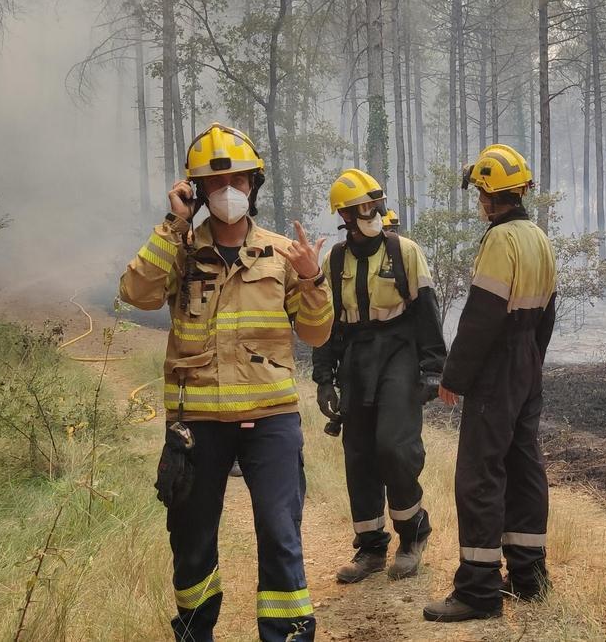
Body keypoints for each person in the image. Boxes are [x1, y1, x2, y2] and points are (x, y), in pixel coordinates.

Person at [119, 123, 332, 642]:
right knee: (191, 541)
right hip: (198, 424)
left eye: (237, 179)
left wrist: (312, 278)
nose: (228, 191)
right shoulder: (180, 249)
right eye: (215, 184)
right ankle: (195, 633)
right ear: (197, 191)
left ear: (254, 184)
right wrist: (172, 224)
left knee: (281, 535)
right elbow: (136, 294)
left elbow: (317, 333)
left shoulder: (284, 254)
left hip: (272, 422)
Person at [422, 144, 558, 622]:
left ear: (487, 194)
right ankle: (529, 576)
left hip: (498, 362)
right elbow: (547, 314)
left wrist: (453, 377)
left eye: (480, 193)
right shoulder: (539, 237)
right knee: (524, 467)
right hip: (526, 362)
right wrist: (533, 364)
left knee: (479, 473)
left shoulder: (500, 240)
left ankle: (478, 590)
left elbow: (481, 318)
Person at [312, 168, 447, 584]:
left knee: (393, 446)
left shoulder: (405, 251)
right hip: (355, 356)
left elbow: (426, 311)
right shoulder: (333, 260)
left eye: (374, 203)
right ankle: (370, 548)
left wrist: (432, 369)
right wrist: (324, 377)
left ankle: (413, 533)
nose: (369, 212)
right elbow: (326, 323)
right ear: (345, 217)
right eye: (360, 208)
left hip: (400, 353)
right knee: (359, 454)